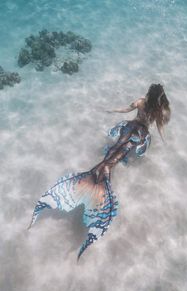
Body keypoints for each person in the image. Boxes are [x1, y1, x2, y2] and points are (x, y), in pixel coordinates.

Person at [29, 84, 171, 260]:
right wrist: (165, 142)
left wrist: (112, 110)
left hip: (130, 126)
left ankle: (95, 176)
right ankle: (101, 176)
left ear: (149, 93)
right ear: (160, 97)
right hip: (141, 132)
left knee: (115, 148)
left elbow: (126, 109)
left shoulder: (141, 102)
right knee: (121, 151)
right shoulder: (157, 111)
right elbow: (160, 128)